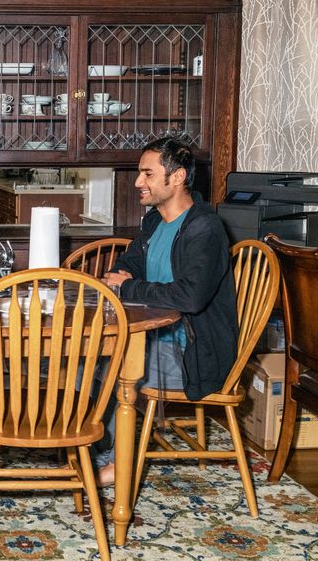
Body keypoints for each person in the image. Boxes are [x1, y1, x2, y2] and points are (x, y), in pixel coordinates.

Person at [96, 137, 238, 486]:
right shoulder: (154, 222)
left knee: (111, 364)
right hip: (159, 340)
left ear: (176, 178)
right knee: (84, 359)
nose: (137, 182)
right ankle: (92, 446)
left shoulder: (204, 228)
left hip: (195, 354)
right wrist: (124, 275)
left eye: (147, 174)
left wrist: (128, 287)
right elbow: (128, 263)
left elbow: (189, 298)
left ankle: (116, 462)